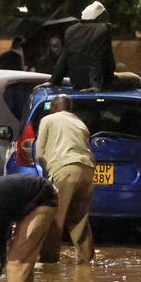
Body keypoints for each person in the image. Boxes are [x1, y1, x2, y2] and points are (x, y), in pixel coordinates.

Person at [36, 95, 95, 263]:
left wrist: (49, 172)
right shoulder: (80, 123)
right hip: (87, 170)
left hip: (64, 168)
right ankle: (86, 260)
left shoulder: (48, 119)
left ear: (54, 107)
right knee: (79, 218)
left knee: (55, 217)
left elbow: (40, 153)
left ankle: (48, 261)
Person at [47, 1, 140, 91]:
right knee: (134, 78)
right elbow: (97, 58)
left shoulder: (70, 31)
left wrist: (53, 81)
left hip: (77, 83)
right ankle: (140, 81)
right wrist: (94, 85)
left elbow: (63, 60)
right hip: (103, 82)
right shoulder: (102, 30)